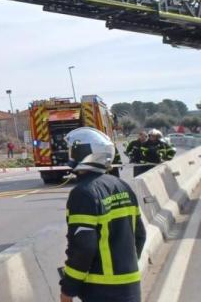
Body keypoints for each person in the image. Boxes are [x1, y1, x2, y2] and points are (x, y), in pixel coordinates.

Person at [60, 127, 145, 302]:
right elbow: (140, 235)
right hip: (131, 285)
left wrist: (68, 289)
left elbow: (83, 247)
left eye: (72, 150)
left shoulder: (83, 193)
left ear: (83, 152)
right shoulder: (123, 186)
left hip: (101, 290)